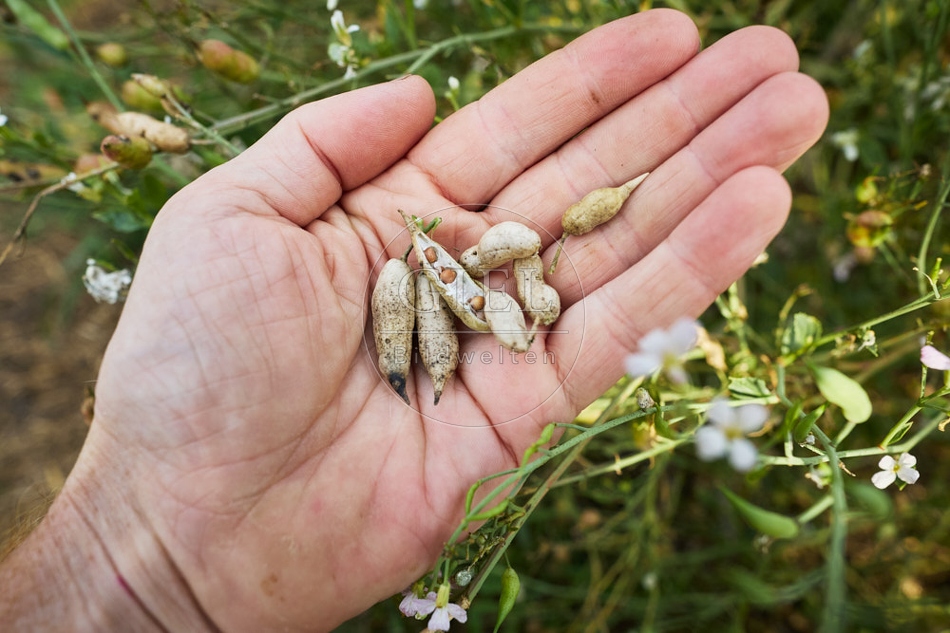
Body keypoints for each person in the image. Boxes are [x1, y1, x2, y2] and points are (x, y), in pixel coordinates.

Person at [0, 9, 828, 632]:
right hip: (443, 288)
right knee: (440, 297)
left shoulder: (485, 275)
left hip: (463, 285)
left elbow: (491, 292)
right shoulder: (423, 277)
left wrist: (136, 566)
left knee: (464, 297)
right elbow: (458, 293)